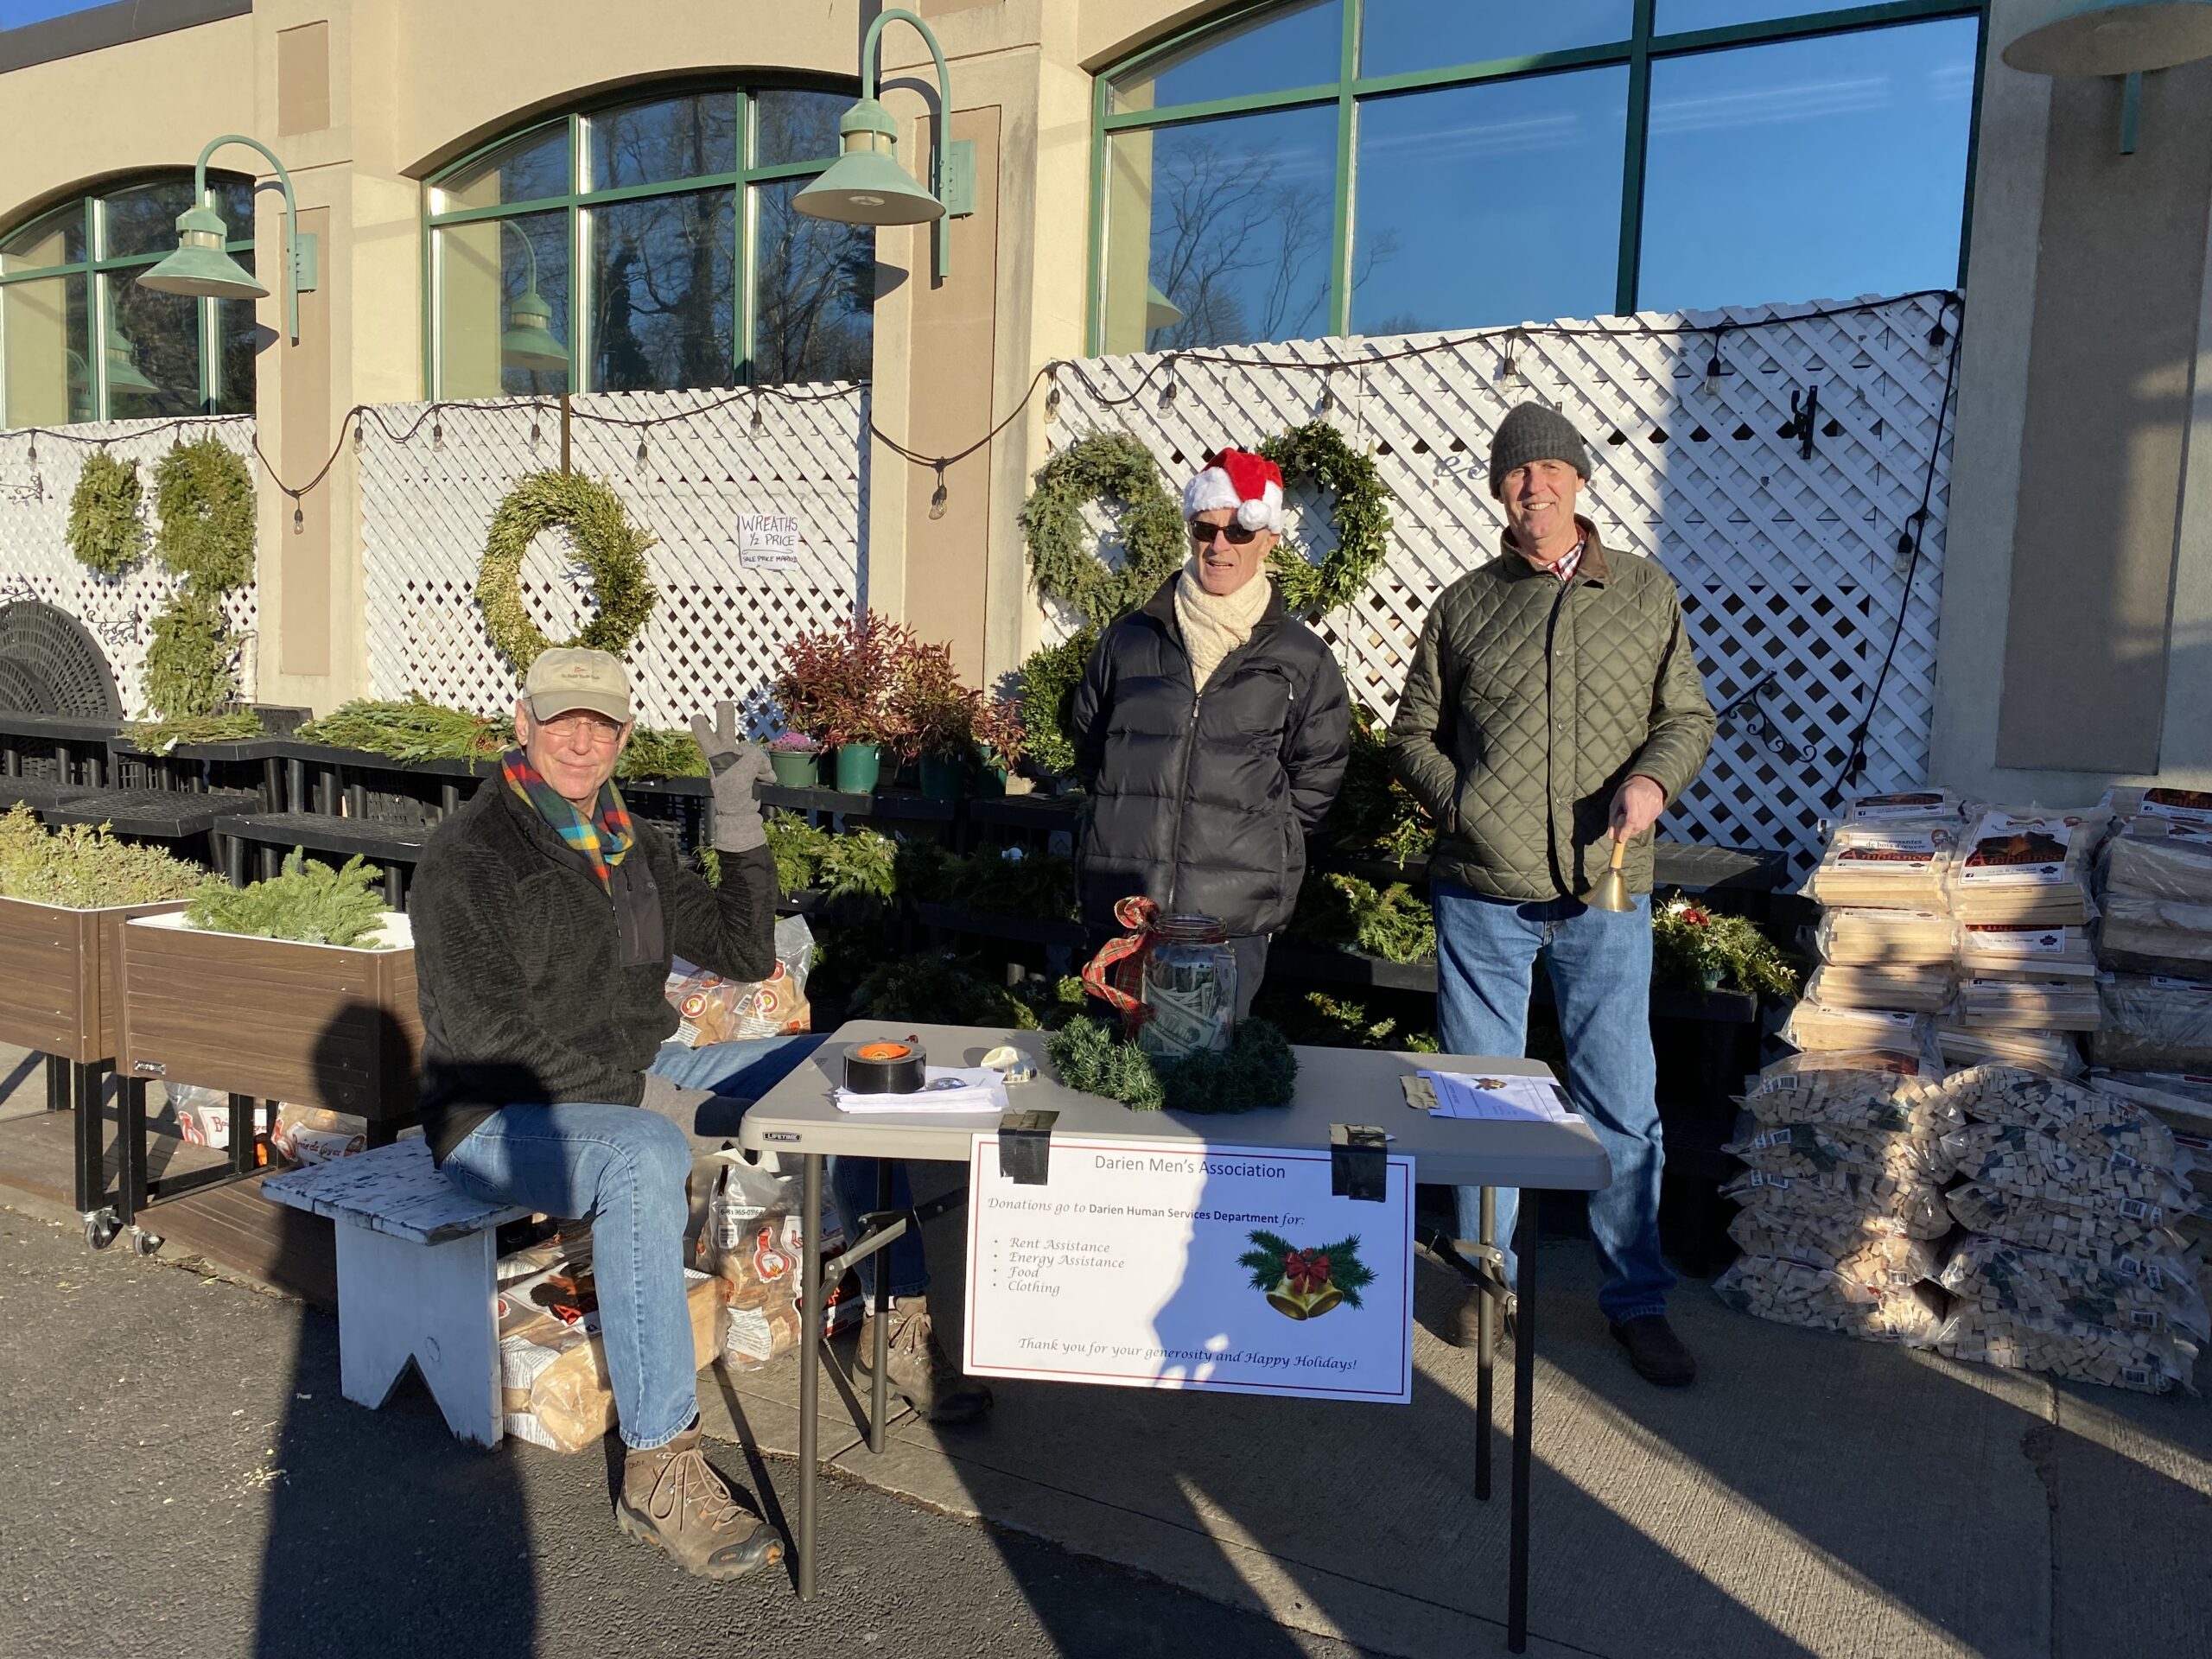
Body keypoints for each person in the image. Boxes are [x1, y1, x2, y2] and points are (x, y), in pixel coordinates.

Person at [410, 647, 988, 1583]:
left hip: (630, 1079)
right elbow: (489, 1036)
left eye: (601, 724)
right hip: (499, 1115)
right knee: (642, 1150)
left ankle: (891, 1320)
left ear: (624, 738)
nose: (580, 740)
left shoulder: (628, 842)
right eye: (562, 719)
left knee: (853, 1059)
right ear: (522, 723)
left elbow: (743, 951)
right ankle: (658, 1466)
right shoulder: (470, 856)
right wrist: (660, 1104)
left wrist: (736, 819)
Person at [1386, 403, 1715, 1387]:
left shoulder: (1645, 594)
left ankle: (1637, 1301)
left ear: (1578, 481)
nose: (1534, 485)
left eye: (1549, 470)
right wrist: (1463, 805)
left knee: (1623, 1098)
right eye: (1515, 473)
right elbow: (1410, 734)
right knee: (1483, 1104)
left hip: (1604, 893)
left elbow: (1686, 715)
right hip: (1482, 895)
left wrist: (1653, 783)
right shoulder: (1464, 603)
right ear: (1497, 490)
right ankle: (1490, 1283)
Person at [1069, 447, 1351, 1015]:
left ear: (1268, 540)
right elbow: (1090, 743)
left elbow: (1317, 774)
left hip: (1230, 919)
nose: (1219, 546)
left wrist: (1270, 838)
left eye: (1238, 533)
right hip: (1128, 902)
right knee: (1113, 1078)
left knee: (1207, 1085)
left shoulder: (1301, 657)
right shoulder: (1130, 640)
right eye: (1206, 528)